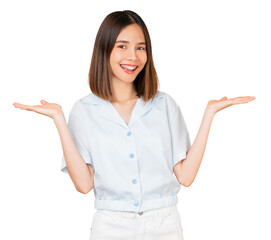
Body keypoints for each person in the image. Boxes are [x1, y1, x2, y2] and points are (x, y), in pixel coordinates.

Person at [13, 10, 255, 240]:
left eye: (141, 48)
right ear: (104, 50)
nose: (133, 57)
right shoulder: (84, 110)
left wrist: (209, 114)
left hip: (165, 226)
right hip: (110, 227)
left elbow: (186, 175)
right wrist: (59, 120)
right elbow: (84, 185)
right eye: (122, 46)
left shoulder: (164, 105)